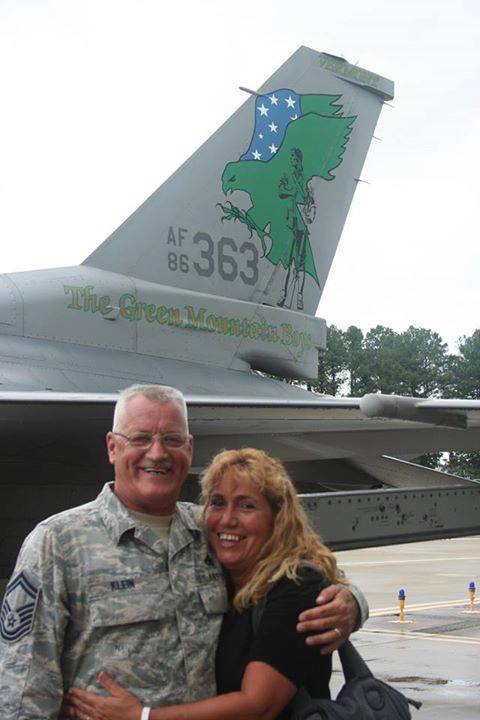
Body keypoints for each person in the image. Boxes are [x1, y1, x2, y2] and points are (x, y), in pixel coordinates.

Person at [0, 385, 367, 719]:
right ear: (113, 447)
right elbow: (25, 690)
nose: (157, 453)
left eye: (172, 440)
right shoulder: (58, 544)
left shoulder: (210, 532)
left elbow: (302, 570)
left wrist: (351, 604)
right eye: (141, 438)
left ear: (189, 449)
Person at [68, 448, 347, 720]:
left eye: (247, 506)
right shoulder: (222, 575)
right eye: (217, 502)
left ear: (278, 519)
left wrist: (141, 717)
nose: (227, 520)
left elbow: (258, 706)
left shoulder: (295, 586)